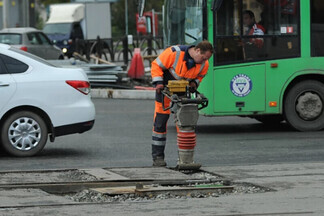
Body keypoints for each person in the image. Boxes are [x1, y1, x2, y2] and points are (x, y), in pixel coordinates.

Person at [150, 40, 213, 167]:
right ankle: (158, 157)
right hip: (165, 91)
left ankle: (184, 159)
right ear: (197, 50)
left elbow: (200, 76)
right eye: (203, 57)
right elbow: (156, 65)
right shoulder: (174, 53)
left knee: (185, 124)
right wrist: (158, 83)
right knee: (160, 123)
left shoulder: (204, 64)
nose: (204, 61)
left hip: (182, 93)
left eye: (206, 59)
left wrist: (194, 83)